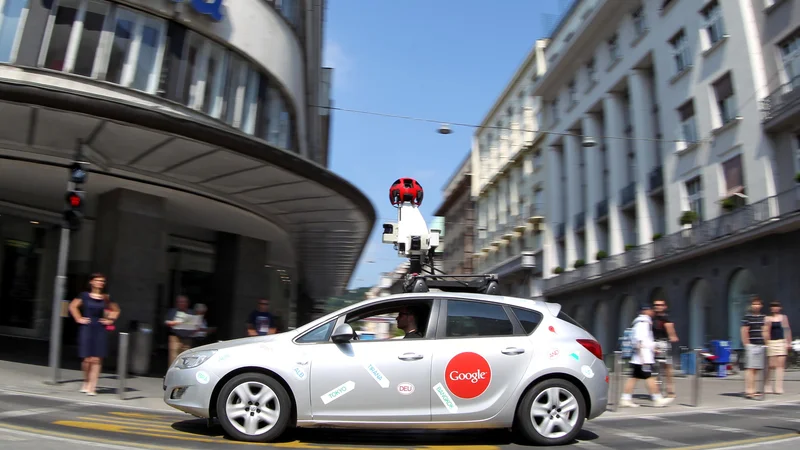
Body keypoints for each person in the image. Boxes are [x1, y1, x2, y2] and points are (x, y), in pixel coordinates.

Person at [68, 273, 119, 396]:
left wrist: (110, 320)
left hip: (100, 328)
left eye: (102, 281)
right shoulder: (84, 295)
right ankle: (86, 380)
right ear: (91, 282)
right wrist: (79, 318)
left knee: (96, 359)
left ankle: (93, 386)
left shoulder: (105, 297)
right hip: (87, 327)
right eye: (97, 280)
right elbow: (72, 306)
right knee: (87, 359)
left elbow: (116, 310)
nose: (100, 283)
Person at [619, 304, 673, 408]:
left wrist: (653, 347)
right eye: (650, 310)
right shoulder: (643, 322)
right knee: (650, 377)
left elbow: (644, 340)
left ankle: (625, 398)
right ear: (644, 311)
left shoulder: (642, 322)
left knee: (634, 377)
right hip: (643, 356)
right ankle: (657, 399)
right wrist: (644, 357)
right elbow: (640, 340)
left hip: (640, 356)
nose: (652, 312)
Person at [763, 301, 791, 394]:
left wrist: (788, 342)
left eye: (776, 306)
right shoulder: (767, 318)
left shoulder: (783, 317)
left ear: (780, 307)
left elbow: (787, 329)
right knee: (771, 365)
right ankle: (767, 384)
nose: (775, 308)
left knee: (780, 365)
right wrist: (766, 342)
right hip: (771, 342)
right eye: (773, 306)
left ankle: (779, 387)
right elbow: (765, 331)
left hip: (781, 342)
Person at [652, 298, 679, 398]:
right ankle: (656, 391)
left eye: (660, 305)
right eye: (656, 305)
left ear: (664, 307)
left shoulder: (666, 319)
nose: (658, 307)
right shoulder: (651, 318)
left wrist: (672, 336)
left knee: (667, 368)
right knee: (655, 369)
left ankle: (670, 390)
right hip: (653, 344)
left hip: (663, 343)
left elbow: (671, 330)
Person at [741, 296, 766, 399]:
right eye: (754, 304)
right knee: (750, 369)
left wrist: (765, 343)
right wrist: (746, 343)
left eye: (758, 304)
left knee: (755, 369)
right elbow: (744, 331)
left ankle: (754, 389)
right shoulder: (747, 317)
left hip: (760, 344)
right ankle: (749, 390)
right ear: (751, 305)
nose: (756, 306)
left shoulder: (763, 317)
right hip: (751, 344)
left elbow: (765, 331)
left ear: (761, 305)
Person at [165, 295, 197, 365]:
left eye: (183, 302)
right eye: (180, 302)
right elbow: (166, 322)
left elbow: (197, 325)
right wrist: (176, 322)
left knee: (186, 358)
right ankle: (172, 374)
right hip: (175, 337)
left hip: (187, 338)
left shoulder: (191, 312)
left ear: (187, 303)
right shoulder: (173, 311)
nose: (182, 303)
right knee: (173, 358)